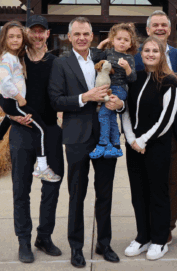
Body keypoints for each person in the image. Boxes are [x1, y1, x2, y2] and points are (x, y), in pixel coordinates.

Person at [49, 17, 124, 268]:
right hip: (76, 137)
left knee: (105, 193)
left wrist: (118, 102)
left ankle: (104, 243)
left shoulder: (103, 59)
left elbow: (122, 85)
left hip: (105, 135)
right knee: (77, 194)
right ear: (69, 37)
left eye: (86, 33)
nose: (81, 38)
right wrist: (85, 96)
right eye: (77, 34)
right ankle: (76, 246)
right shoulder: (61, 63)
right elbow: (56, 100)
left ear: (92, 36)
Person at [0, 15, 65, 263]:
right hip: (22, 131)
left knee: (51, 187)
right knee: (21, 189)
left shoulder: (55, 62)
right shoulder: (14, 60)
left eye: (41, 32)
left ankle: (44, 236)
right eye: (32, 31)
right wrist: (10, 113)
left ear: (47, 34)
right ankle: (24, 241)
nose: (37, 36)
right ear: (26, 35)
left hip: (49, 130)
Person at [121, 36, 177, 261]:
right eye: (146, 50)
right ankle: (143, 237)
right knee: (138, 193)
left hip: (156, 146)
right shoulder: (134, 79)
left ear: (162, 54)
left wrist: (143, 140)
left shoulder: (169, 82)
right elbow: (125, 110)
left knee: (158, 193)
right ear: (141, 53)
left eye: (155, 51)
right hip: (134, 146)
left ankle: (159, 240)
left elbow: (166, 119)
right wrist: (130, 139)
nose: (150, 54)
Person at [133, 10, 177, 243]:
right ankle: (148, 230)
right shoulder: (136, 60)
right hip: (144, 131)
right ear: (148, 30)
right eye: (156, 25)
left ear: (170, 29)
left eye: (164, 24)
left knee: (169, 182)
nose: (160, 28)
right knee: (145, 184)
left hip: (174, 129)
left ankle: (166, 228)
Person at [0, 21, 60, 183]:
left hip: (44, 121)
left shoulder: (20, 58)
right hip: (17, 113)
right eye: (11, 37)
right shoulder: (9, 58)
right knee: (40, 129)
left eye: (18, 37)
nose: (15, 40)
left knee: (50, 192)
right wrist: (16, 106)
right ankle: (42, 167)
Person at [90, 23, 138, 159]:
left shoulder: (129, 58)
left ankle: (103, 143)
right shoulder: (108, 52)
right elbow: (94, 57)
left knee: (103, 115)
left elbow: (133, 79)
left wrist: (127, 68)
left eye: (126, 40)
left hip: (119, 89)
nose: (122, 42)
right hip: (107, 88)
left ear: (130, 44)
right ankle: (115, 145)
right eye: (119, 39)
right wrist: (104, 42)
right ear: (113, 40)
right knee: (111, 117)